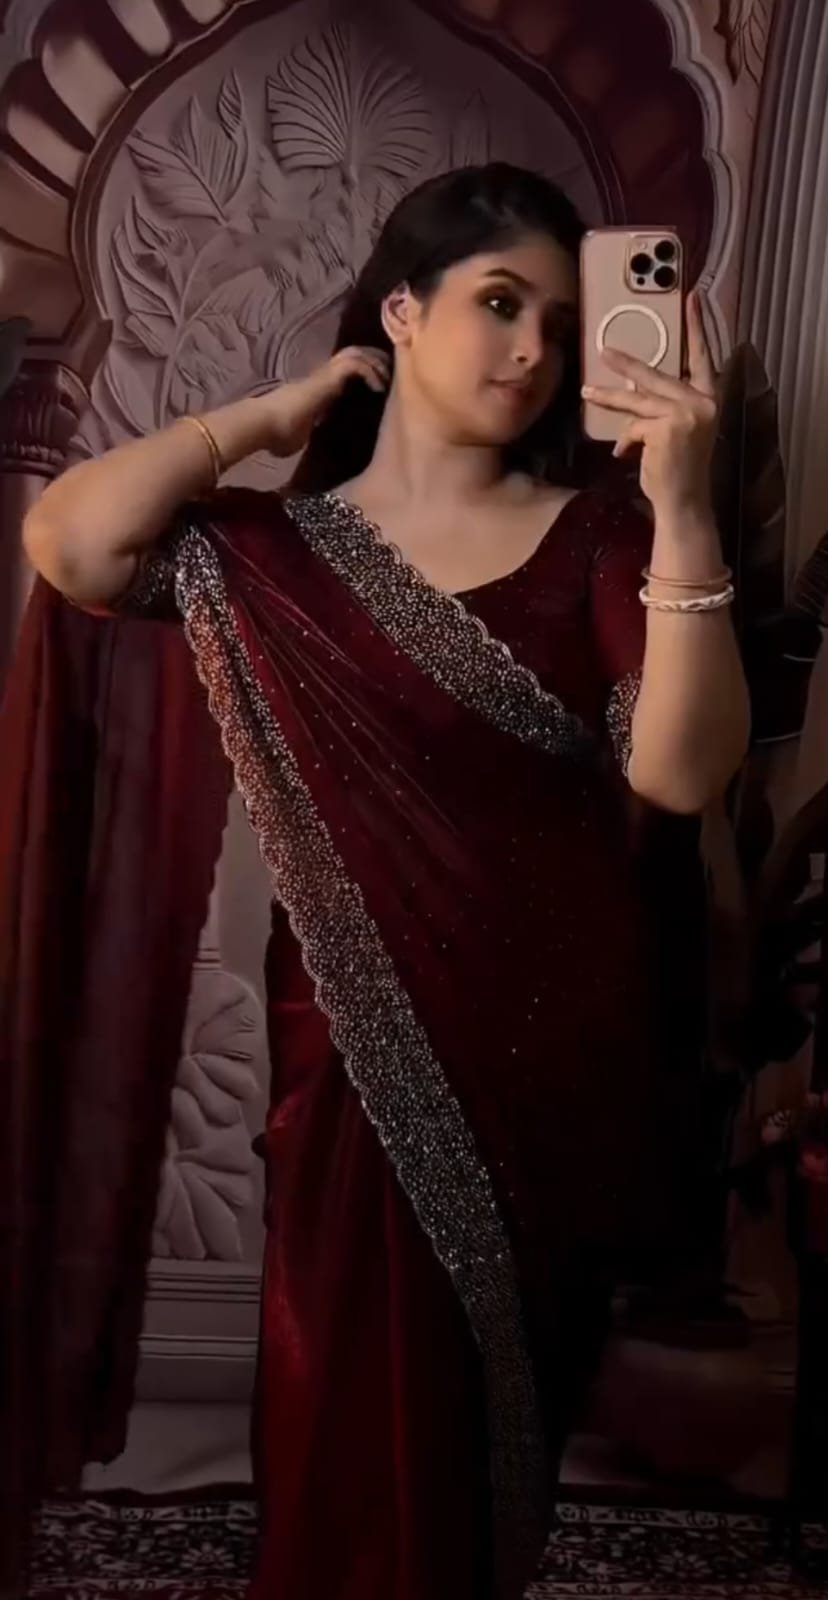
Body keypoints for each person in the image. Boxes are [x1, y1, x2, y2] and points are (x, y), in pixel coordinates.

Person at [19, 164, 749, 1599]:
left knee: (490, 1443)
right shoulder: (275, 554)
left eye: (558, 321)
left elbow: (676, 774)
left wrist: (684, 509)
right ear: (400, 312)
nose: (533, 350)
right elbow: (72, 544)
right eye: (499, 304)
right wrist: (265, 417)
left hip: (556, 1066)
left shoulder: (603, 536)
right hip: (358, 1061)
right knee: (345, 1407)